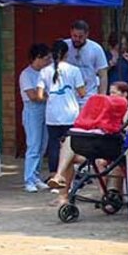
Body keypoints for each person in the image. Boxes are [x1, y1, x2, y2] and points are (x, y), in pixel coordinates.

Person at [41, 40, 87, 188]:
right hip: (70, 114)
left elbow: (40, 95)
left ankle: (54, 175)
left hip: (52, 115)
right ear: (67, 53)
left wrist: (52, 98)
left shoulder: (44, 71)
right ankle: (69, 179)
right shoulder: (74, 70)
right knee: (71, 146)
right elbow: (82, 93)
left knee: (54, 145)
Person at [19, 43, 51, 193]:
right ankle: (29, 179)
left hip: (45, 110)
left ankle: (36, 176)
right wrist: (48, 96)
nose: (49, 61)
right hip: (33, 111)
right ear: (37, 58)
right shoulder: (26, 74)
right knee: (33, 145)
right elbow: (33, 96)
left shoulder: (45, 73)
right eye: (46, 58)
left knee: (42, 145)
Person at [64, 19, 108, 104]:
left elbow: (103, 75)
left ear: (87, 35)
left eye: (80, 37)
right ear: (70, 32)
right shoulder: (65, 46)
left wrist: (102, 97)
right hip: (68, 96)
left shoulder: (96, 49)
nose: (77, 39)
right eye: (74, 36)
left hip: (89, 95)